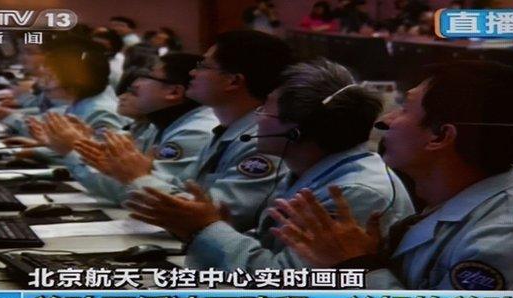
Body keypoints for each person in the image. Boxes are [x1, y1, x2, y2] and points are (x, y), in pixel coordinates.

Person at [271, 61, 513, 298]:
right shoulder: (449, 200)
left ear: (440, 137)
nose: (386, 119)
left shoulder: (509, 240)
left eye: (404, 108)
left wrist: (360, 268)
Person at [126, 59, 414, 271]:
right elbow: (268, 245)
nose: (258, 117)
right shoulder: (311, 171)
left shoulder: (354, 193)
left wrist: (206, 228)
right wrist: (216, 229)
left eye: (266, 110)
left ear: (296, 129)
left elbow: (281, 281)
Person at [93, 30, 294, 232]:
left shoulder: (262, 140)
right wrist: (140, 173)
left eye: (203, 66)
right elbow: (184, 187)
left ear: (233, 81)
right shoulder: (226, 130)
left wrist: (138, 177)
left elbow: (213, 217)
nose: (192, 73)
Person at [34, 53, 218, 204]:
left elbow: (137, 195)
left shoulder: (193, 132)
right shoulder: (159, 124)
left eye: (148, 76)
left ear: (174, 92)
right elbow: (127, 181)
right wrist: (86, 148)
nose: (136, 84)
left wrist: (73, 150)